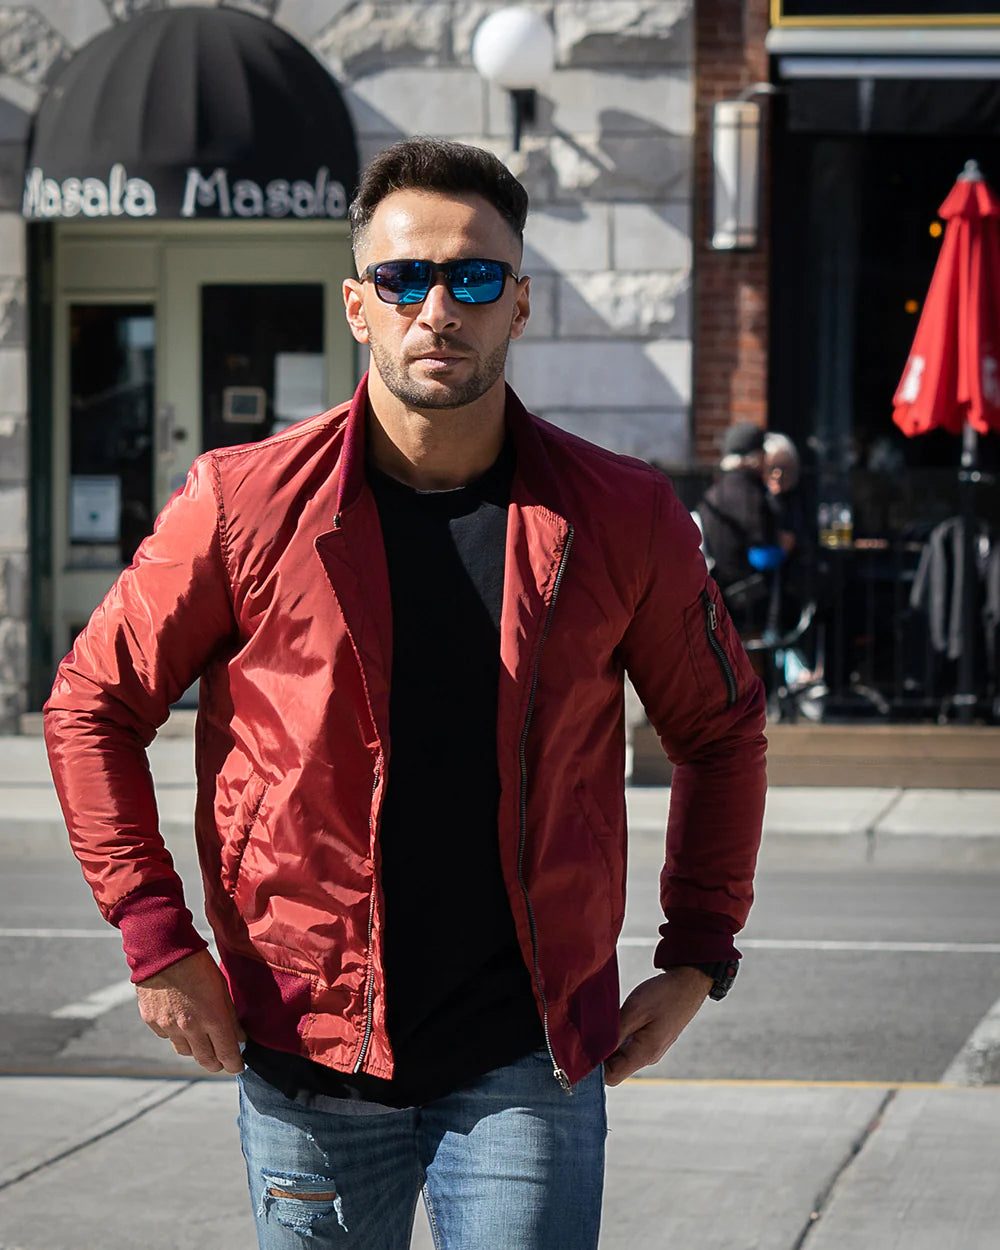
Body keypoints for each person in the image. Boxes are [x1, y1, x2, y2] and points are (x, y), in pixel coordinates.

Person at [44, 139, 766, 1250]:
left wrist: (697, 948)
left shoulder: (622, 517)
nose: (440, 306)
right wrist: (153, 929)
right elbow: (92, 700)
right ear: (358, 304)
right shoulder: (242, 504)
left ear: (519, 305)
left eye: (475, 277)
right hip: (306, 1045)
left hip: (526, 1051)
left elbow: (720, 729)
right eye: (405, 278)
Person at [697, 421, 783, 638]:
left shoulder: (712, 494)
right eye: (763, 451)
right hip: (751, 609)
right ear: (753, 457)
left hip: (719, 603)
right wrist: (785, 548)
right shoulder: (752, 495)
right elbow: (763, 557)